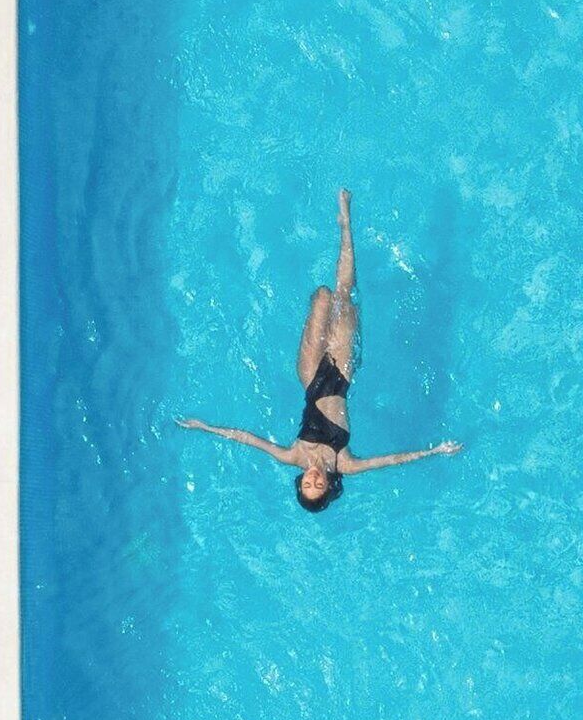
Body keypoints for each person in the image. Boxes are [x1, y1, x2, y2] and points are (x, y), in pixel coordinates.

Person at [176, 189, 460, 511]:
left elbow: (246, 438)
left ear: (301, 481)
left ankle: (330, 237)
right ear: (328, 485)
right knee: (343, 293)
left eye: (306, 483)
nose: (312, 477)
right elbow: (390, 460)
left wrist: (205, 427)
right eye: (318, 485)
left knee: (323, 296)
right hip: (341, 372)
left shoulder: (293, 456)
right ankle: (346, 220)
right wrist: (434, 452)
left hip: (310, 374)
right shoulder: (344, 463)